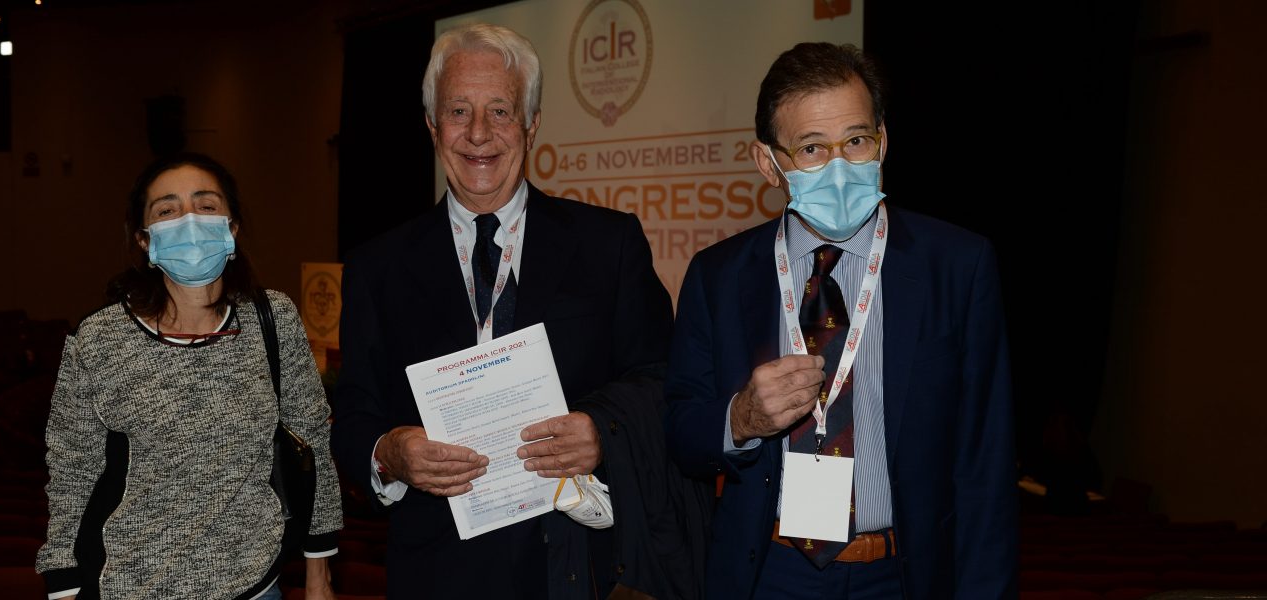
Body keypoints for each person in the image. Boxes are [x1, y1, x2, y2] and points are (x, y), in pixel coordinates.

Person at [332, 23, 708, 600]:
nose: (478, 133)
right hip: (436, 573)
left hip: (574, 566)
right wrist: (390, 454)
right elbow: (354, 416)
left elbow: (664, 380)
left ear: (532, 125)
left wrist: (602, 432)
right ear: (432, 125)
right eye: (459, 111)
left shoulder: (608, 245)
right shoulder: (375, 267)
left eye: (501, 111)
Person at [663, 42, 1016, 599]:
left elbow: (986, 462)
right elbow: (681, 431)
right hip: (767, 573)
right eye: (811, 148)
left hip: (903, 574)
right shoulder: (719, 276)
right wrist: (742, 418)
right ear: (768, 163)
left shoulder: (957, 266)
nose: (839, 167)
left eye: (856, 141)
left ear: (883, 140)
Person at [35, 153, 341, 600]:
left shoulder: (273, 318)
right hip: (132, 587)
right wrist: (62, 585)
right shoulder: (98, 339)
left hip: (256, 585)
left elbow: (311, 439)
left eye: (206, 205)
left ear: (232, 228)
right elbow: (71, 470)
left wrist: (320, 574)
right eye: (168, 210)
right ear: (144, 240)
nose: (190, 221)